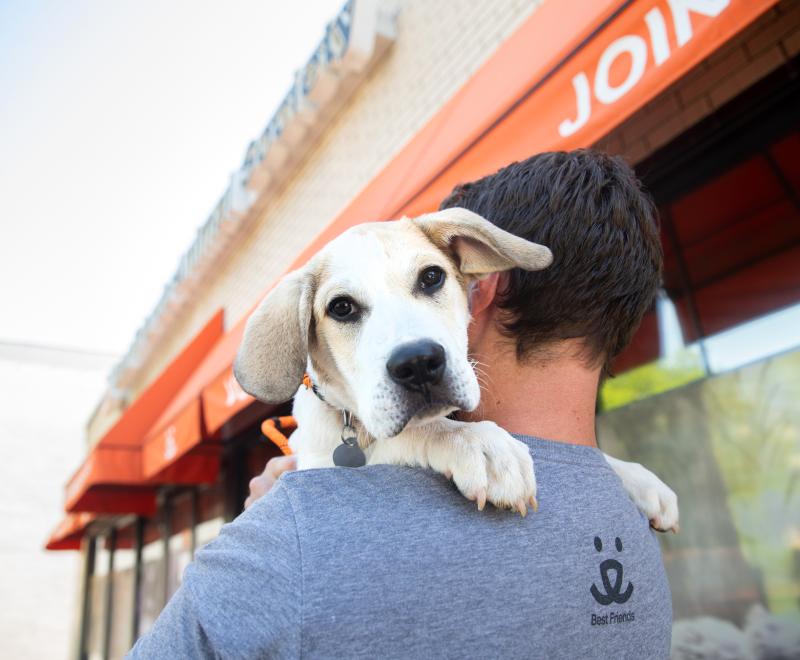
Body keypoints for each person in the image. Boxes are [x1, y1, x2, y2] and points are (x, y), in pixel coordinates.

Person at [129, 150, 671, 659]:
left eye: (429, 279)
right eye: (345, 308)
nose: (410, 351)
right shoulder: (637, 553)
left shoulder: (284, 548)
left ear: (478, 281)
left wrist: (286, 525)